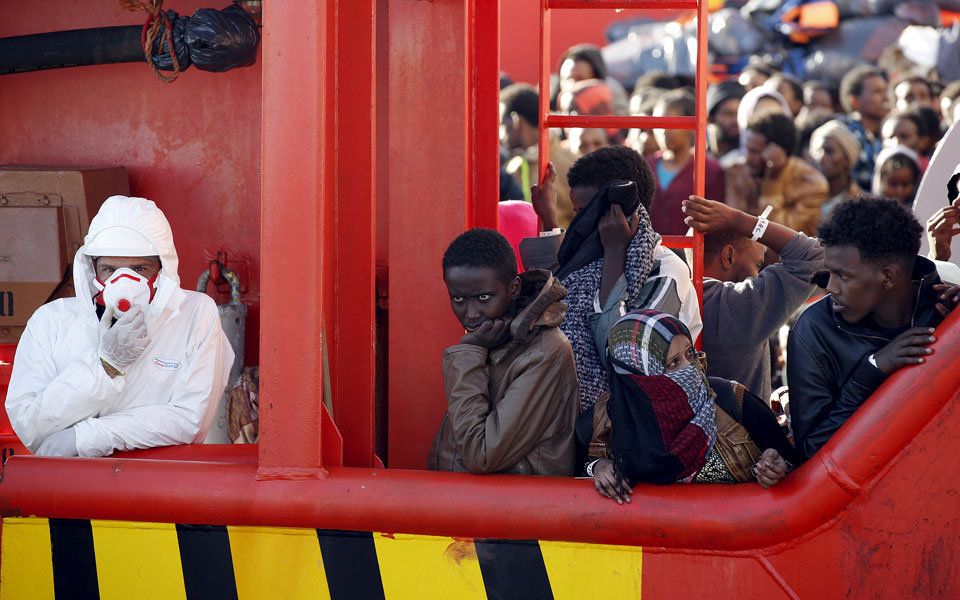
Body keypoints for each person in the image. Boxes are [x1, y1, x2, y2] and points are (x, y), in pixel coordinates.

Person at [6, 196, 234, 457]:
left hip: (157, 484)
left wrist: (86, 437)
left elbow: (190, 420)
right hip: (71, 486)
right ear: (92, 271)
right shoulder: (51, 321)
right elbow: (30, 425)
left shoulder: (194, 314)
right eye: (110, 269)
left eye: (139, 268)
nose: (124, 282)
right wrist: (104, 364)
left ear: (163, 269)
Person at [520, 147, 703, 411]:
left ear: (618, 211)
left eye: (585, 212)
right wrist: (549, 220)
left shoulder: (665, 270)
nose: (579, 224)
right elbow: (556, 292)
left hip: (640, 416)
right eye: (575, 213)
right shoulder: (596, 259)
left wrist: (615, 253)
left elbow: (621, 353)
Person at [787, 196, 960, 460]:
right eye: (830, 272)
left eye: (843, 276)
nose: (831, 287)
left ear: (888, 277)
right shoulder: (813, 330)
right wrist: (872, 370)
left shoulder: (946, 305)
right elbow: (812, 450)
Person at [588, 310, 799, 503]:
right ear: (639, 378)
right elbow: (569, 471)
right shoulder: (609, 417)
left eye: (690, 353)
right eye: (672, 363)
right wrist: (597, 467)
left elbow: (793, 464)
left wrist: (777, 467)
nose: (690, 367)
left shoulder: (729, 400)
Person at [427, 228, 578, 475]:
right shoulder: (491, 335)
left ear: (514, 288)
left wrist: (469, 351)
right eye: (458, 299)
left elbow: (481, 454)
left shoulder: (546, 352)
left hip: (513, 507)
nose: (471, 313)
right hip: (464, 503)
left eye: (484, 297)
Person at [682, 195, 824, 401]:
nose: (758, 275)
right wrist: (738, 219)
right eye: (758, 266)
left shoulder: (668, 297)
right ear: (729, 256)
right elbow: (811, 256)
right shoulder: (733, 306)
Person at [725, 111, 829, 236]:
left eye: (755, 152)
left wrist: (772, 182)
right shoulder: (737, 172)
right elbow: (733, 228)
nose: (748, 158)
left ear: (779, 153)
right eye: (747, 149)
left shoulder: (812, 184)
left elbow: (778, 239)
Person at [647, 89, 725, 234]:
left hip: (690, 254)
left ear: (691, 127)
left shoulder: (710, 170)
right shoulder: (645, 166)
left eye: (672, 124)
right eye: (659, 123)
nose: (663, 131)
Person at [500, 83, 577, 227]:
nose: (500, 135)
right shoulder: (513, 164)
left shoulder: (569, 164)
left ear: (516, 121)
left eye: (502, 125)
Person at [838, 66, 890, 192]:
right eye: (877, 92)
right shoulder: (844, 136)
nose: (886, 98)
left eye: (885, 91)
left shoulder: (889, 133)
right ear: (855, 101)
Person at [809, 120, 863, 219]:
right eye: (818, 151)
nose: (821, 158)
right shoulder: (802, 195)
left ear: (847, 159)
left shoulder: (860, 202)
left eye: (829, 152)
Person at [706, 80, 746, 165]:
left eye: (739, 113)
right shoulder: (696, 157)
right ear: (710, 118)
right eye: (728, 113)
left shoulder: (746, 160)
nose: (736, 120)